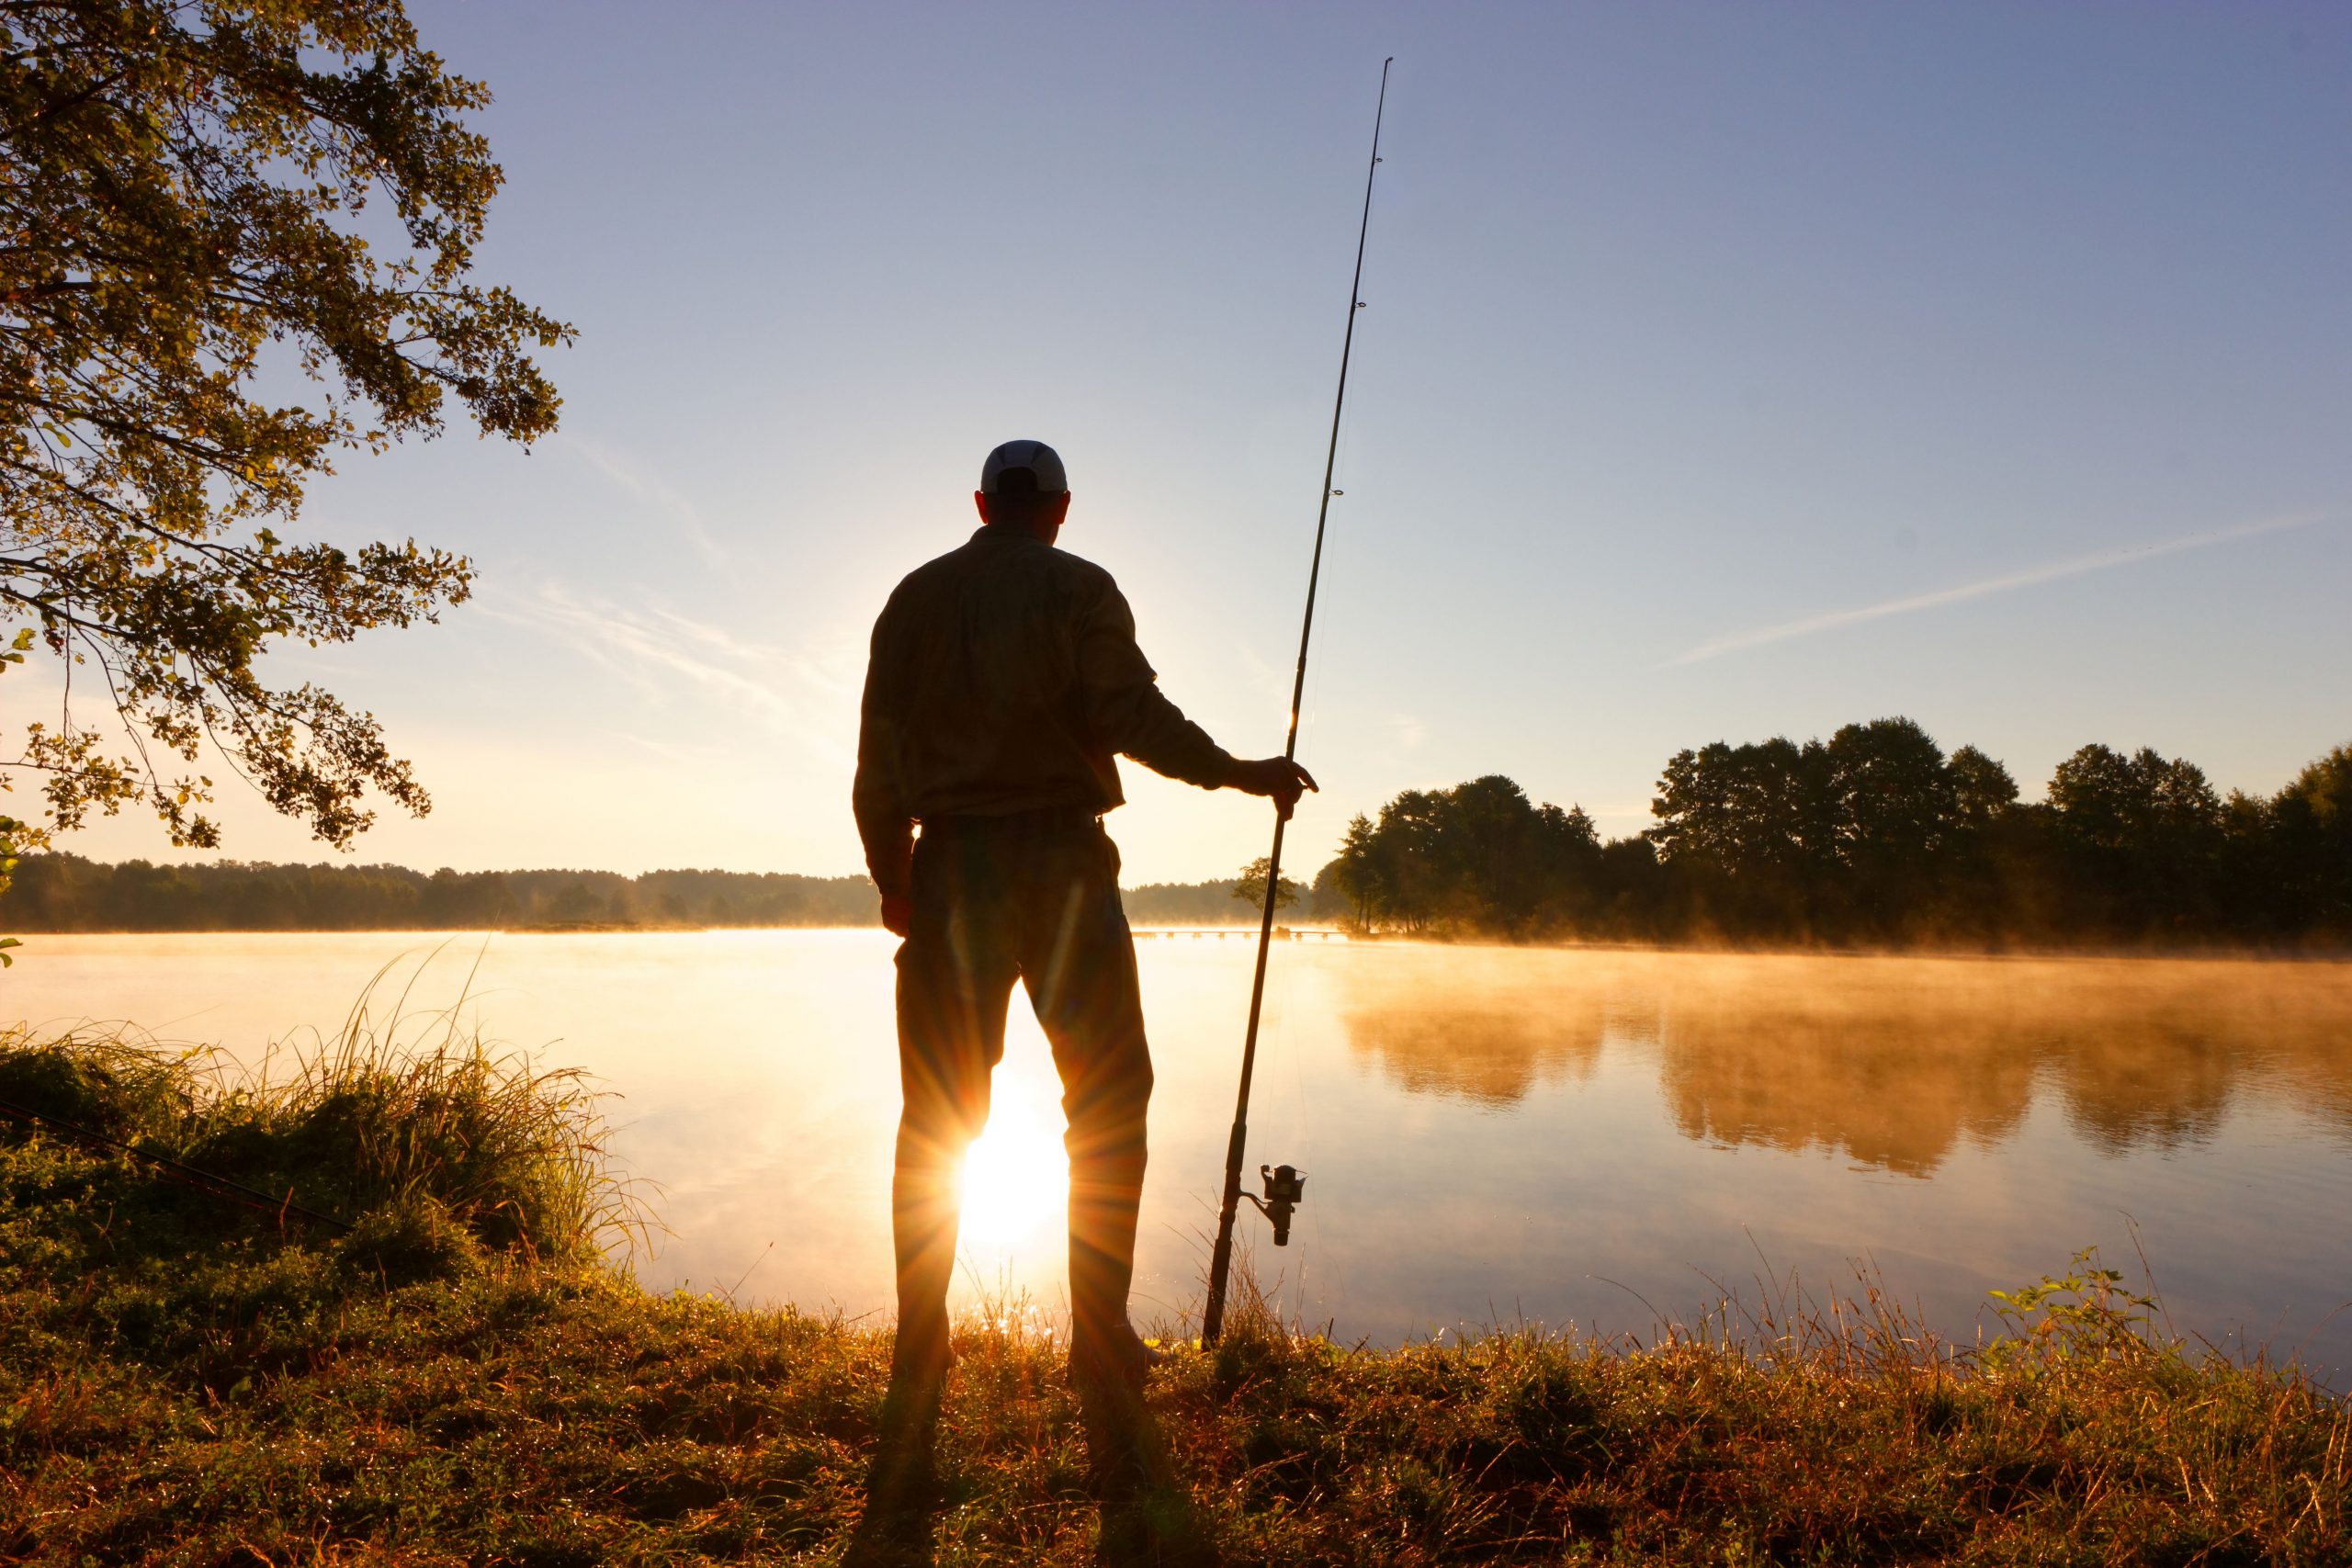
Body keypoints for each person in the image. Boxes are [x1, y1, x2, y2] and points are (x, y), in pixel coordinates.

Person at [853, 437, 1314, 1433]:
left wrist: (895, 879)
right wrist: (1240, 774)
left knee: (936, 1116)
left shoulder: (913, 598)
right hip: (1064, 869)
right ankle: (1098, 1337)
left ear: (983, 503)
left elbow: (876, 765)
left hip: (951, 869)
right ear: (1061, 507)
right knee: (1107, 1104)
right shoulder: (1081, 587)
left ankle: (919, 1340)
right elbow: (1129, 714)